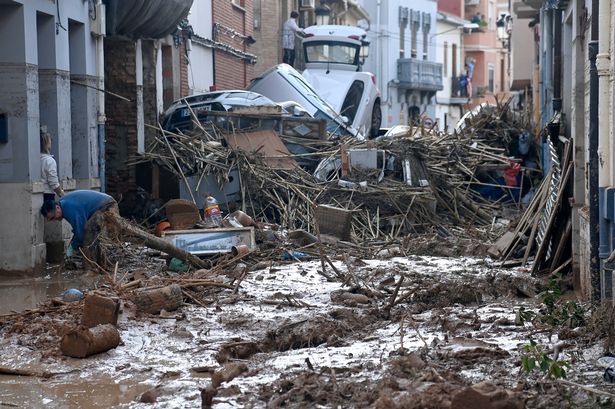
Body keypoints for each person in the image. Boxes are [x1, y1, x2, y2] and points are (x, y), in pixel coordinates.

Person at [40, 190, 117, 257]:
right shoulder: (63, 204)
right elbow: (78, 228)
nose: (55, 220)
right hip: (104, 202)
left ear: (57, 207)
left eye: (53, 217)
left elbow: (81, 233)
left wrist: (73, 247)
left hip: (107, 206)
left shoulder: (68, 209)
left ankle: (91, 269)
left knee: (88, 233)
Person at [40, 127, 64, 201]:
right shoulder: (49, 161)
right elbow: (53, 182)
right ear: (46, 143)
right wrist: (61, 194)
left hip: (40, 192)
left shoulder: (36, 160)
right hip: (48, 194)